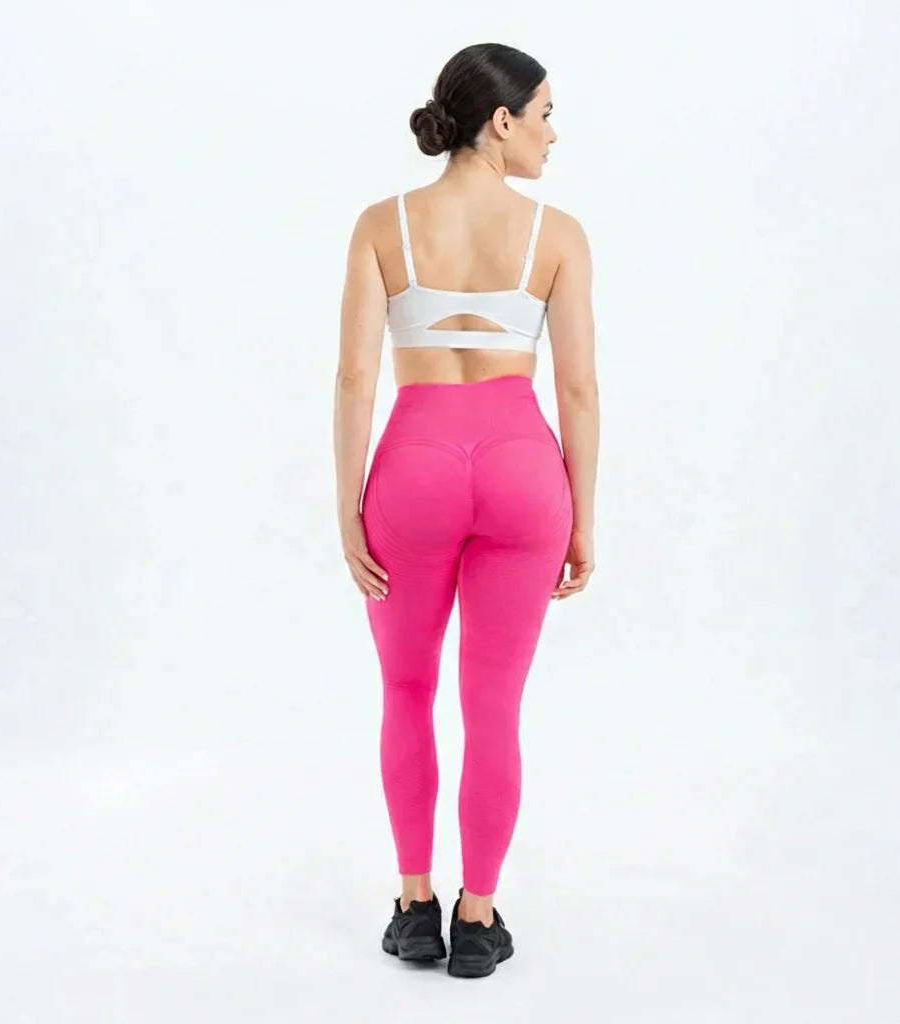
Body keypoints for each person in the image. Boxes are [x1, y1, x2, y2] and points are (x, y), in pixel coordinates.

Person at [332, 41, 599, 979]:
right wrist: (584, 517)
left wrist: (347, 507)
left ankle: (415, 907)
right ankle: (477, 919)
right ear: (502, 120)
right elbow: (578, 391)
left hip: (413, 468)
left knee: (406, 690)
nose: (552, 135)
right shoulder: (557, 235)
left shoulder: (383, 225)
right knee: (494, 706)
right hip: (524, 469)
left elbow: (356, 377)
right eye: (545, 115)